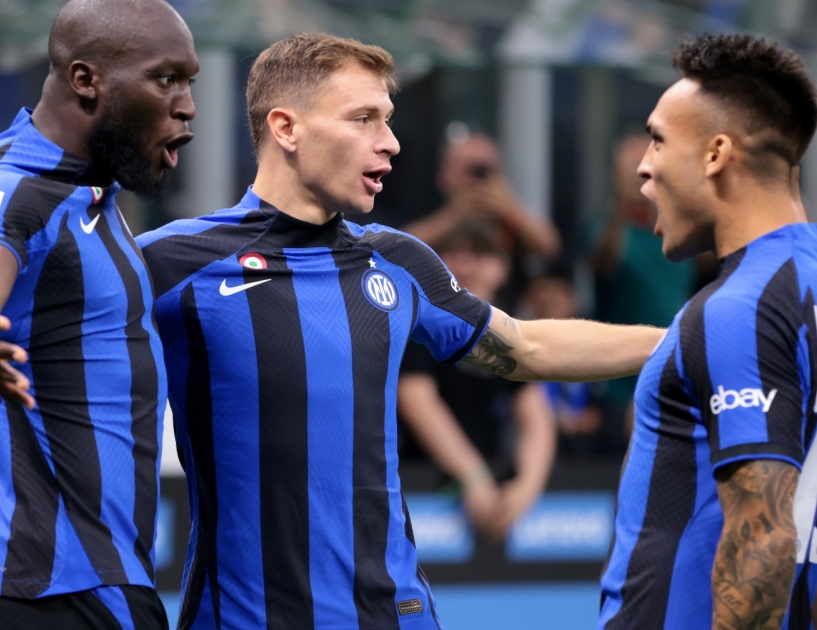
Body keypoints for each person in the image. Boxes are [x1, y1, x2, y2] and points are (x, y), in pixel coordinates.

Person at [135, 33, 662, 630]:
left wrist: (683, 340)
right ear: (286, 128)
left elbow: (528, 347)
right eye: (363, 119)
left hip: (395, 615)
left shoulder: (399, 260)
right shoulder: (169, 263)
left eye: (386, 119)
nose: (390, 142)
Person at [0, 0, 197, 627]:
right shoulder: (8, 185)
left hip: (95, 580)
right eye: (166, 79)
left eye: (189, 82)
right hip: (37, 589)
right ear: (86, 80)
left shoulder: (91, 193)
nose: (187, 106)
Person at [598, 35, 817, 630]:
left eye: (659, 140)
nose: (643, 166)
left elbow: (763, 540)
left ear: (716, 154)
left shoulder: (736, 310)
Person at [397, 224, 556, 540]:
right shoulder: (419, 322)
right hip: (415, 489)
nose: (465, 265)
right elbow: (415, 398)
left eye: (480, 254)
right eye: (453, 254)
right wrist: (473, 475)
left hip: (484, 490)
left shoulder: (509, 330)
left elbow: (536, 416)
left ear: (502, 270)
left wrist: (527, 487)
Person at [590, 132, 696, 435]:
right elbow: (604, 258)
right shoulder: (606, 232)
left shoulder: (678, 232)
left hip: (674, 367)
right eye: (633, 168)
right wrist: (622, 202)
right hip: (620, 380)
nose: (642, 175)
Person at [403, 130, 560, 307]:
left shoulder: (507, 214)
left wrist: (509, 208)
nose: (477, 177)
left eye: (485, 169)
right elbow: (402, 247)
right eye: (468, 168)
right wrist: (454, 215)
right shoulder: (425, 203)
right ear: (444, 173)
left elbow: (549, 246)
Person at [519, 273, 604, 457]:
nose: (550, 307)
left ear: (573, 303)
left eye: (557, 301)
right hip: (534, 441)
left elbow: (596, 409)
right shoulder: (518, 348)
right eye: (544, 301)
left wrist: (587, 419)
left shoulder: (588, 350)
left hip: (585, 448)